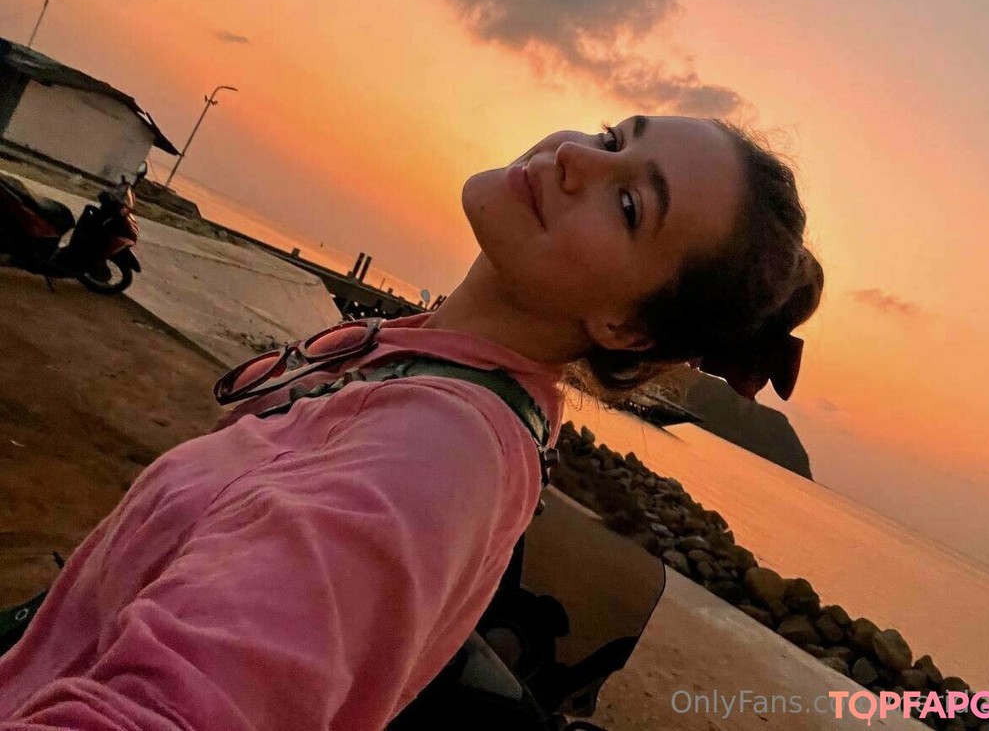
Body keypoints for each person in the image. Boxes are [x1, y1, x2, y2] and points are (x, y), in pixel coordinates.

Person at [0, 115, 824, 729]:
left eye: (631, 204)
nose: (578, 157)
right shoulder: (438, 369)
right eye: (614, 137)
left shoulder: (435, 453)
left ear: (628, 327)